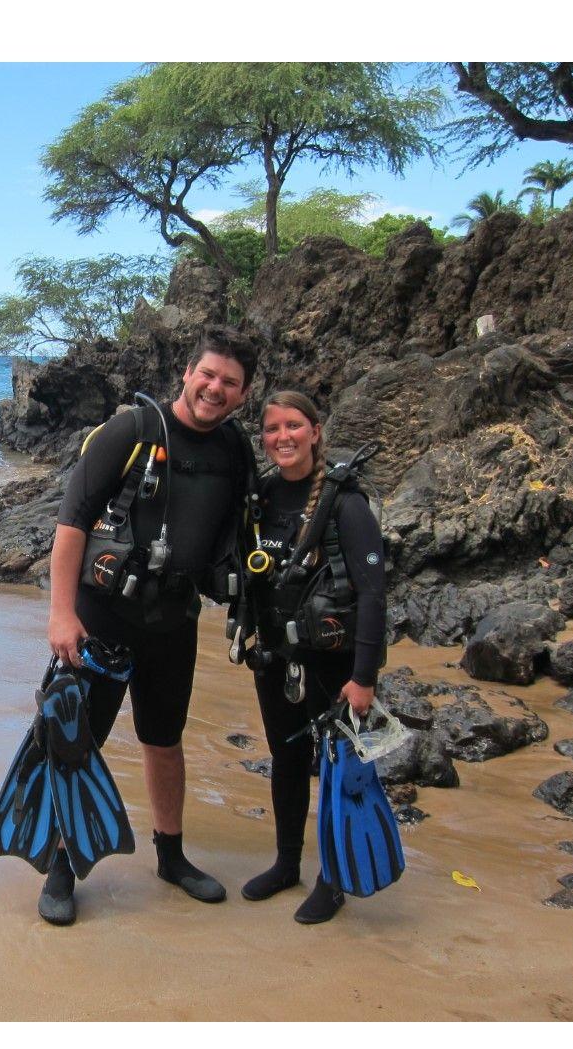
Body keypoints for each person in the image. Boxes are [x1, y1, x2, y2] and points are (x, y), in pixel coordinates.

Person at [38, 326, 257, 926]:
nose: (215, 388)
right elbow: (72, 523)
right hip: (104, 615)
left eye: (230, 382)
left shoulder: (235, 451)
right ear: (187, 373)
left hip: (174, 619)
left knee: (164, 739)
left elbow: (244, 534)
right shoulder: (132, 430)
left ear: (243, 394)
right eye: (207, 374)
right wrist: (61, 613)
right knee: (79, 741)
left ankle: (171, 856)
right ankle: (62, 866)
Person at [233, 391, 387, 925]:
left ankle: (334, 879)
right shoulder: (263, 496)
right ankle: (286, 864)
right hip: (275, 655)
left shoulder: (346, 503)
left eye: (294, 426)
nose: (283, 437)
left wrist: (364, 678)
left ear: (315, 432)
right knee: (287, 761)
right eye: (273, 428)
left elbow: (372, 595)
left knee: (337, 769)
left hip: (333, 662)